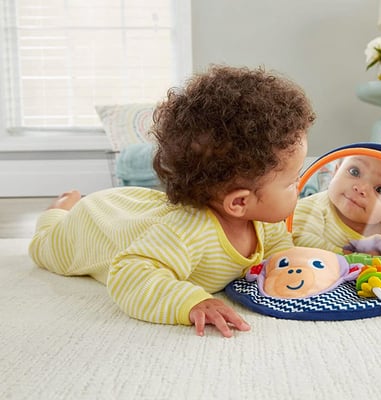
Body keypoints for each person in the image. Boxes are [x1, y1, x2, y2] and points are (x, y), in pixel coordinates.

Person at [29, 65, 316, 338]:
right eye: (292, 181)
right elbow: (129, 276)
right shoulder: (186, 233)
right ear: (239, 202)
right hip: (94, 225)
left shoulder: (264, 222)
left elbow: (280, 254)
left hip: (140, 208)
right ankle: (59, 210)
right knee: (44, 248)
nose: (300, 183)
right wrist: (191, 302)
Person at [292, 155, 381, 255]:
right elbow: (298, 239)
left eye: (380, 190)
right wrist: (349, 256)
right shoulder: (313, 207)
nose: (360, 188)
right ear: (335, 172)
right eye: (354, 172)